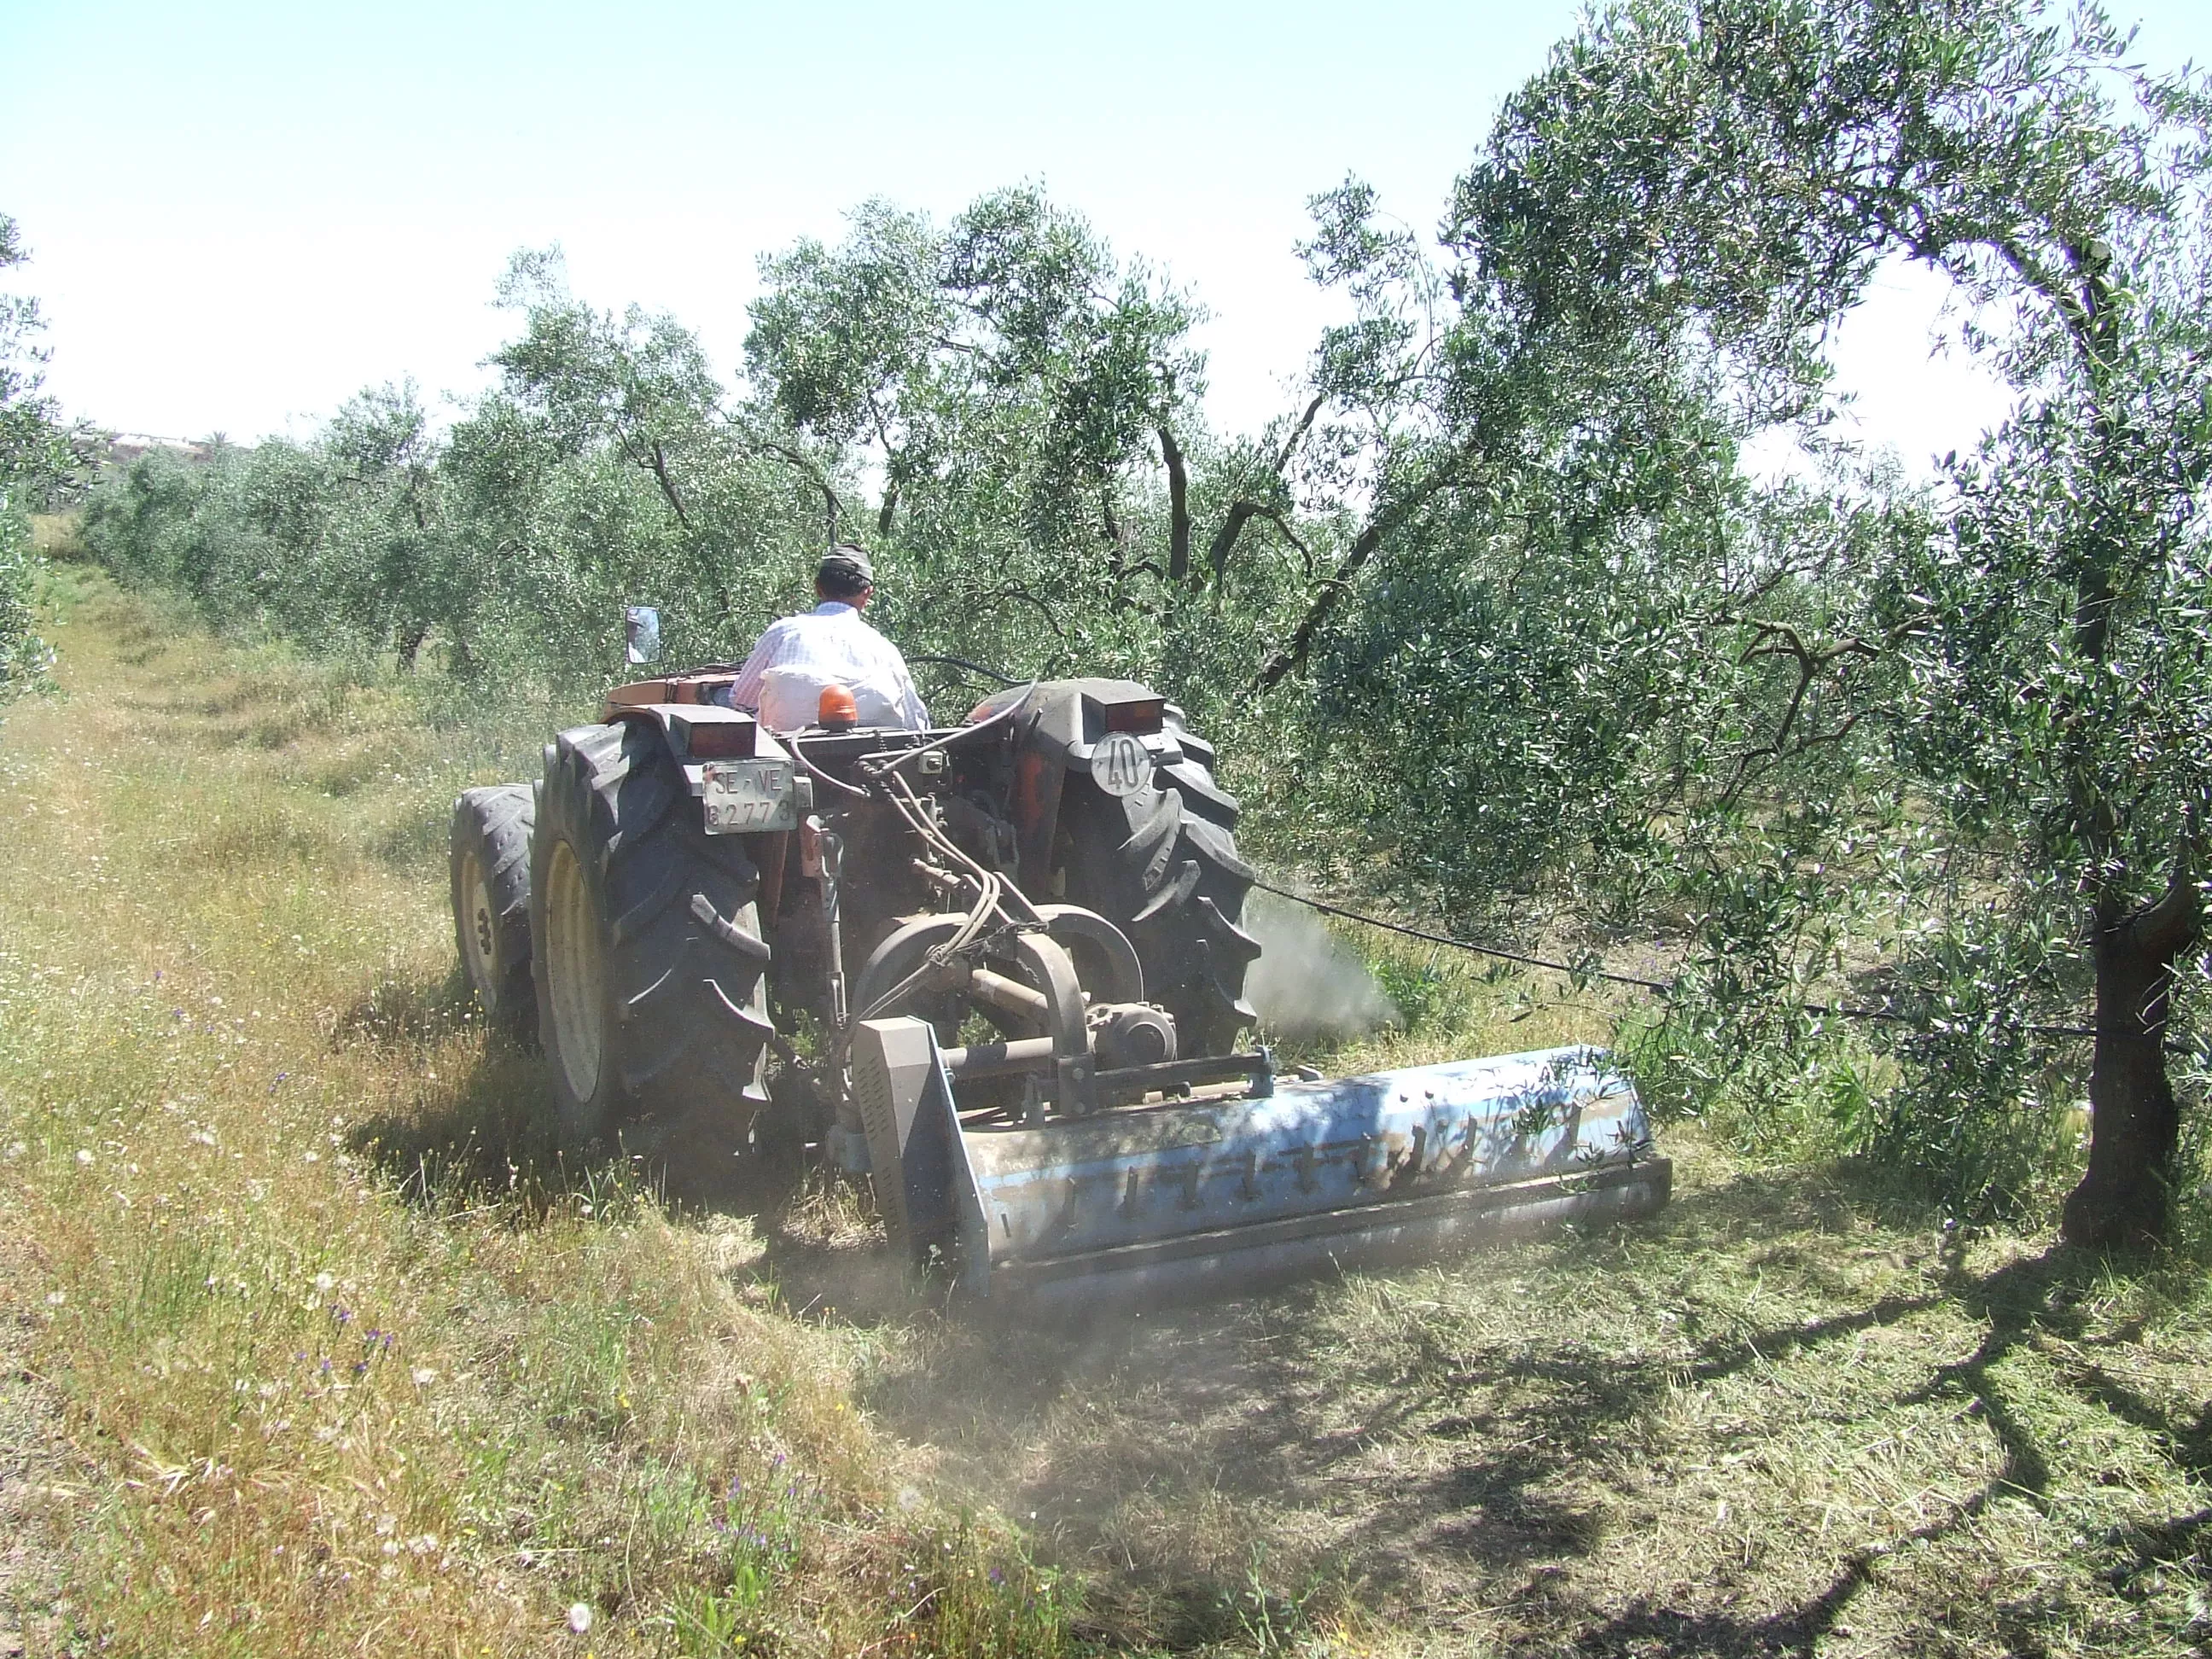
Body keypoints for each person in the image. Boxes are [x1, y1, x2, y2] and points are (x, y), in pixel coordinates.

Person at [726, 544, 930, 731]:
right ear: (867, 593)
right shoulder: (884, 649)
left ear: (817, 587)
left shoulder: (782, 633)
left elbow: (742, 700)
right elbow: (916, 723)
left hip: (787, 757)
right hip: (871, 761)